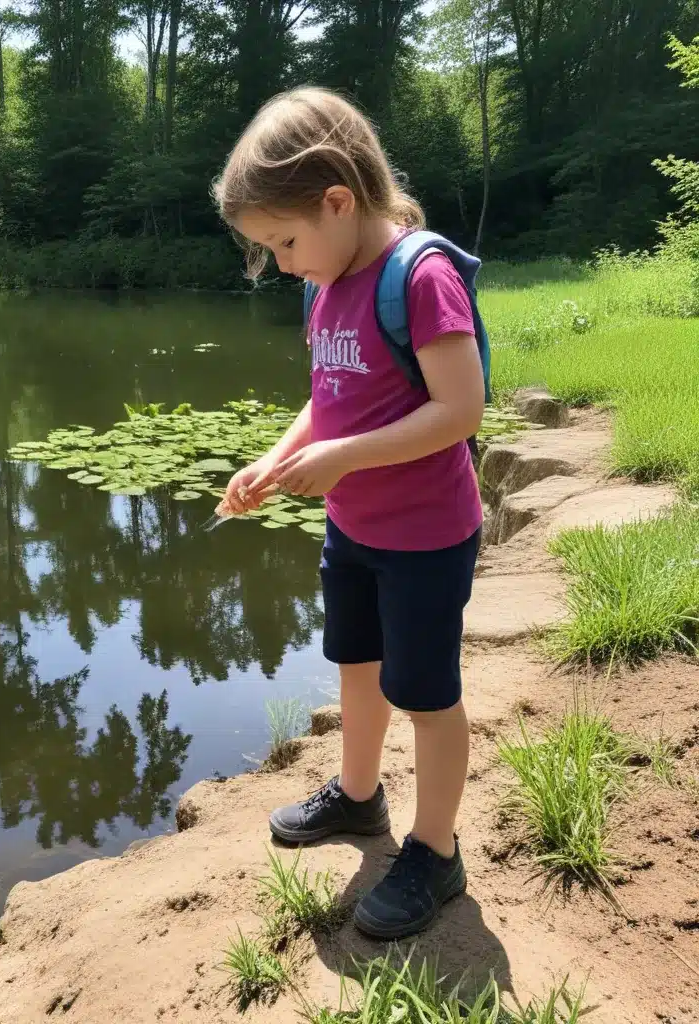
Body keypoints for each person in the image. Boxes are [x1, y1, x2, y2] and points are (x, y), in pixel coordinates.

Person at [212, 87, 485, 940]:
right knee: (357, 668)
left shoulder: (420, 277)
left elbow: (460, 410)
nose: (285, 264)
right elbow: (326, 398)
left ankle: (435, 852)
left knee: (427, 695)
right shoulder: (324, 282)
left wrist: (339, 460)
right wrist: (281, 456)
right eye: (268, 251)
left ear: (338, 199)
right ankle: (360, 799)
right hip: (354, 530)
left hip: (426, 537)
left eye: (285, 242)